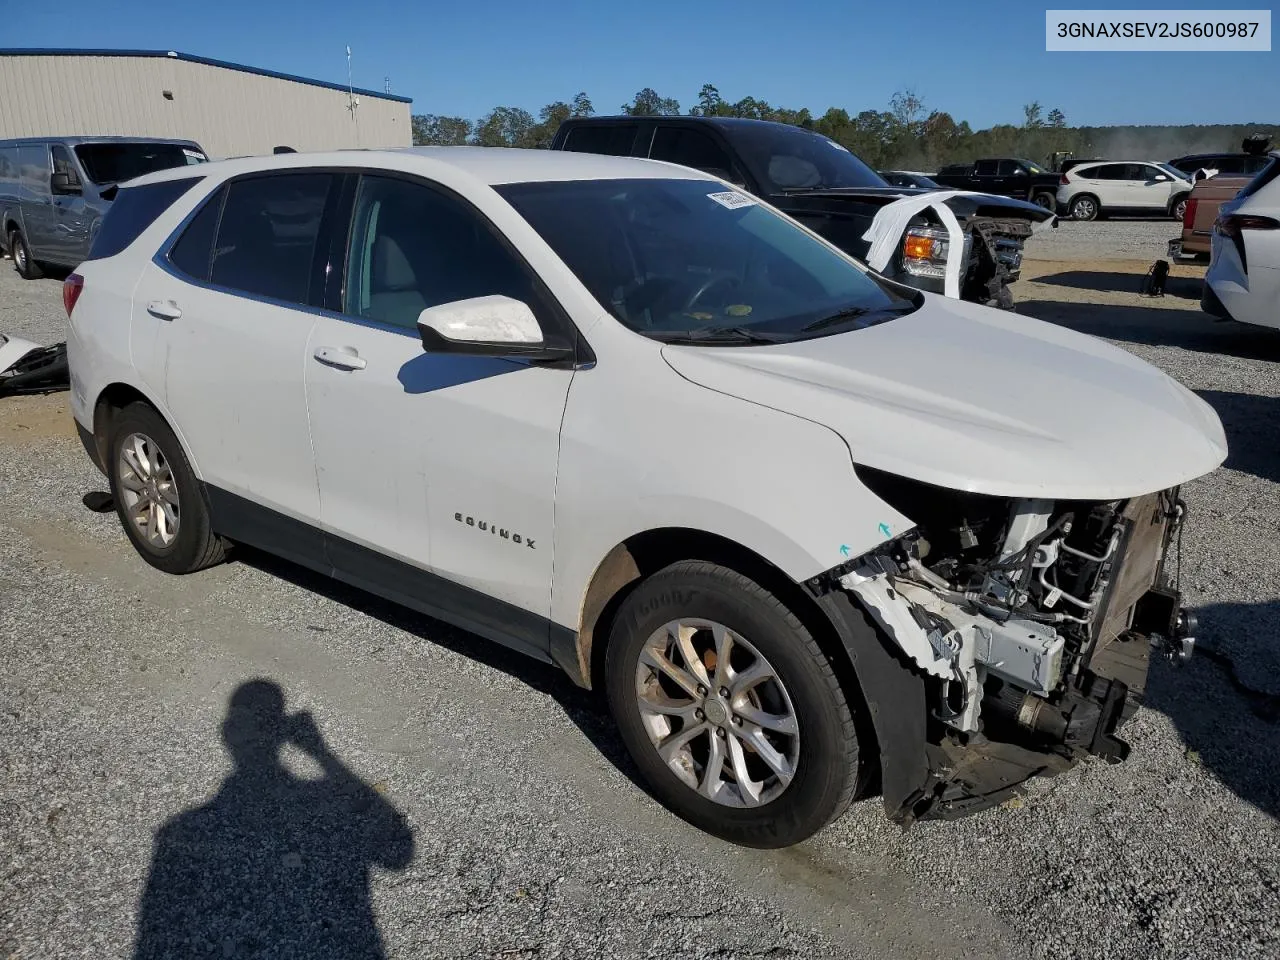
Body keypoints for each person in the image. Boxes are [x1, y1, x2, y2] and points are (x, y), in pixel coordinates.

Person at [133, 680, 414, 959]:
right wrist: (320, 752)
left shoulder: (180, 830)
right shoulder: (180, 831)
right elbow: (398, 854)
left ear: (227, 734)